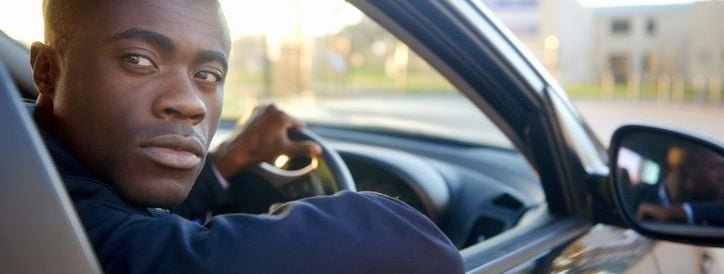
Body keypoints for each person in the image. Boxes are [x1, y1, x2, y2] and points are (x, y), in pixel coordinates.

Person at [30, 0, 464, 273]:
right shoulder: (28, 206)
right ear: (47, 71)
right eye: (139, 60)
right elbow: (405, 243)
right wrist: (382, 215)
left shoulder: (41, 162)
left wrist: (224, 162)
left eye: (207, 74)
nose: (191, 103)